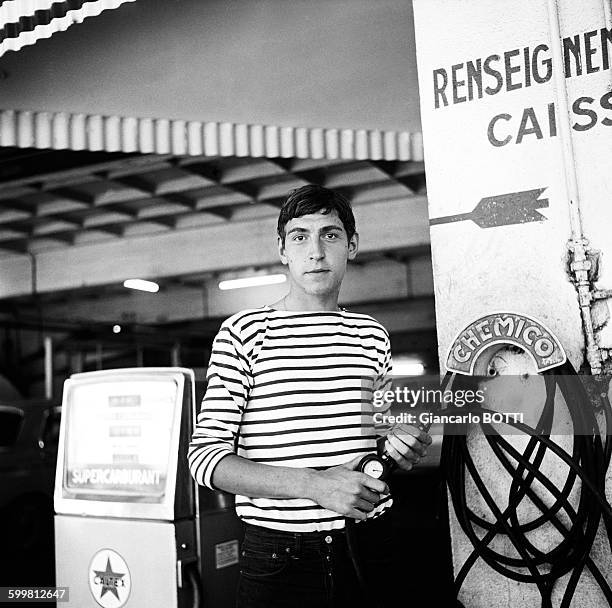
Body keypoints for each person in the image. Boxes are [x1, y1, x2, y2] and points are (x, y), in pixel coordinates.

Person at [188, 184, 431, 608]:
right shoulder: (245, 333)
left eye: (330, 235)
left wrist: (401, 447)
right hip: (282, 559)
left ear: (351, 245)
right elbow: (205, 459)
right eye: (300, 236)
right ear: (283, 250)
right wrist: (315, 486)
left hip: (373, 544)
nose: (316, 251)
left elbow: (379, 435)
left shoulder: (370, 335)